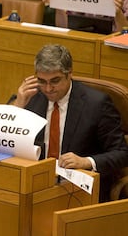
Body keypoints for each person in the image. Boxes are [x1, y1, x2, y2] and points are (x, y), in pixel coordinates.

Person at [14, 44, 128, 202]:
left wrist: (86, 161)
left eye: (55, 81)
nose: (48, 89)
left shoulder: (97, 104)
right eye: (42, 81)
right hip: (36, 184)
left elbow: (122, 153)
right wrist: (18, 106)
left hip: (78, 188)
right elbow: (8, 141)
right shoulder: (30, 96)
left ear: (69, 74)